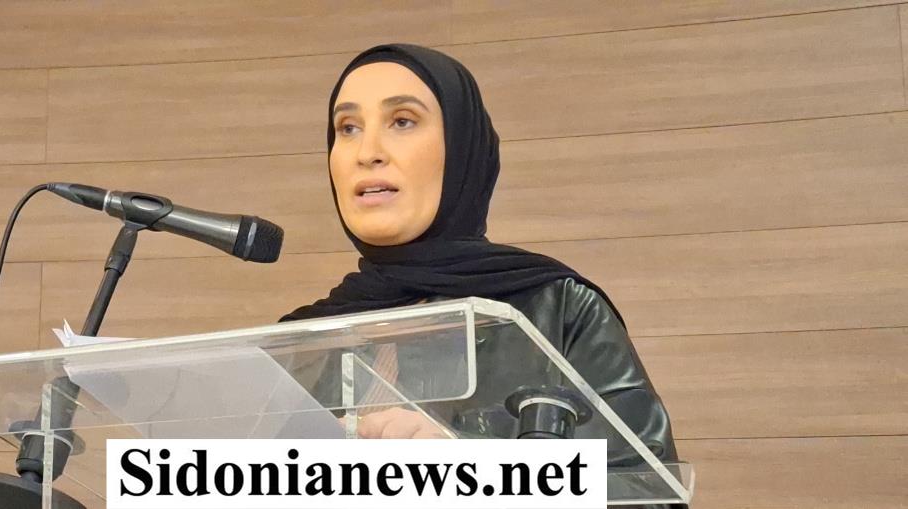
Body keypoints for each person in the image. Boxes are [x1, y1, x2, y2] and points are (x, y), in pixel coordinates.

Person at [279, 43, 681, 503]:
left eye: (402, 121)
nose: (366, 152)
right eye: (348, 128)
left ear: (462, 149)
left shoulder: (558, 310)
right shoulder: (298, 344)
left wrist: (467, 467)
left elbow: (650, 496)